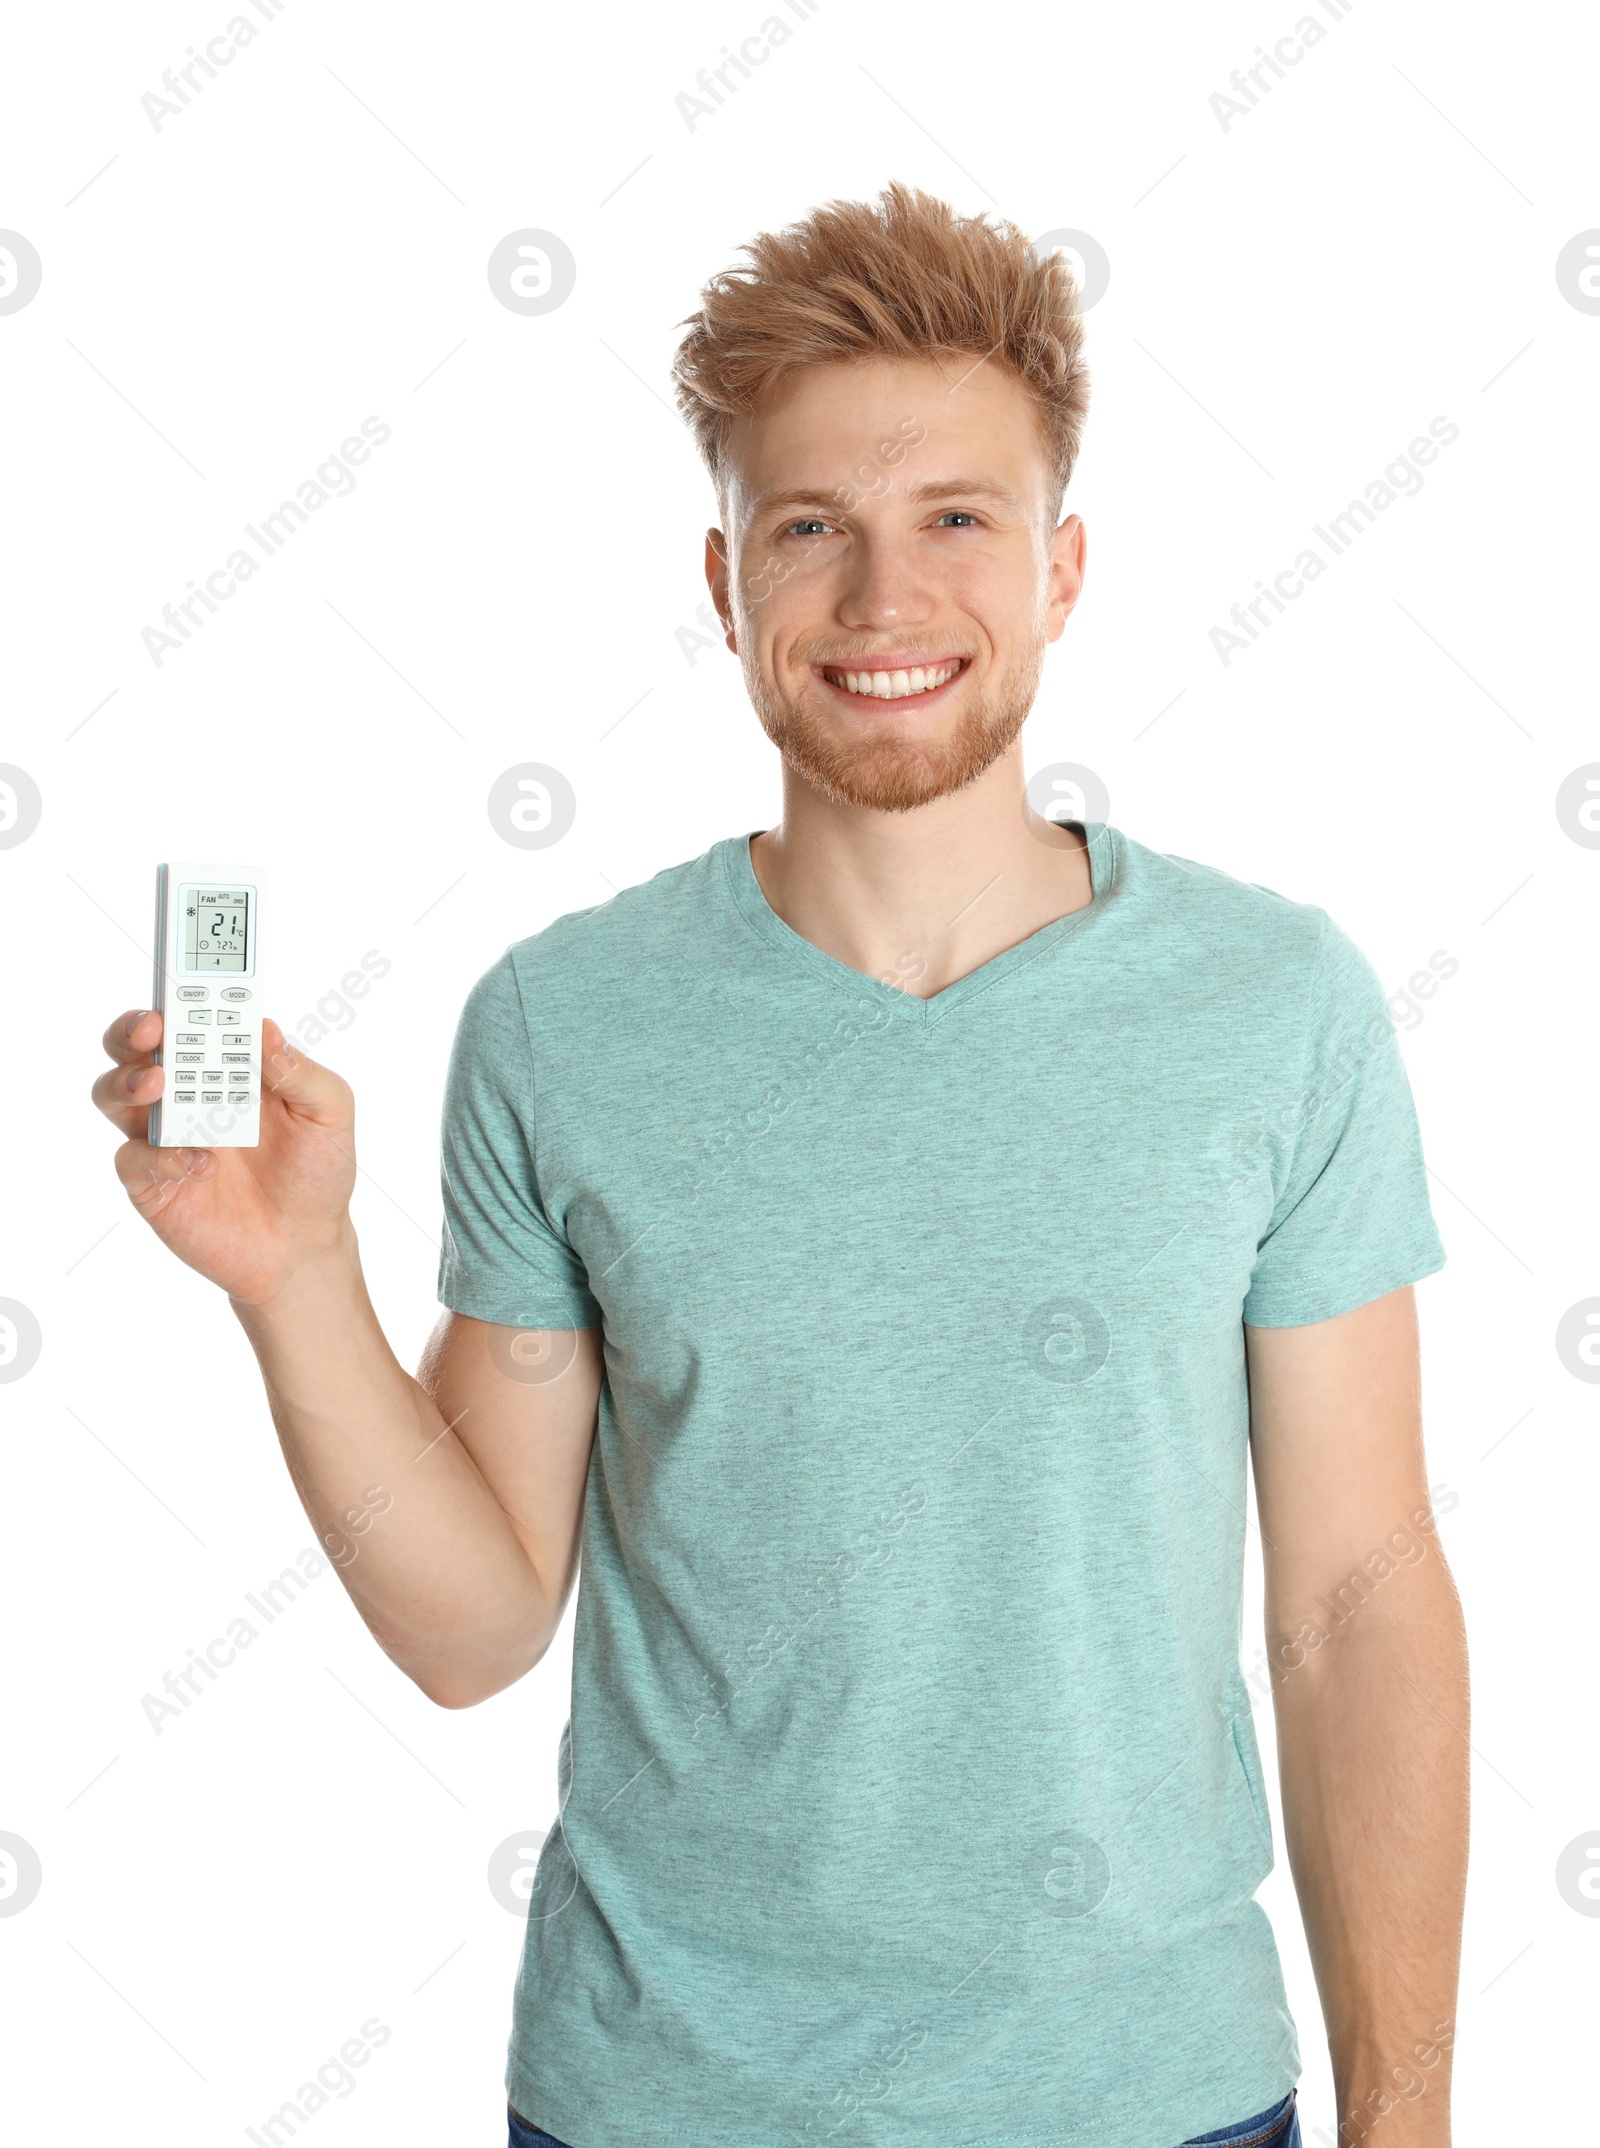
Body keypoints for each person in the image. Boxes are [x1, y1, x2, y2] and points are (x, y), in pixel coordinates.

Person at [93, 183, 1468, 2148]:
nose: (879, 600)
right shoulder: (561, 1027)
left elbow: (1351, 1596)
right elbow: (477, 1627)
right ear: (724, 581)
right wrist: (293, 1279)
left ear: (1063, 570)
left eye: (954, 522)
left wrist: (1401, 2119)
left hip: (1151, 2094)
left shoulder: (1273, 1008)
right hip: (660, 2101)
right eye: (807, 527)